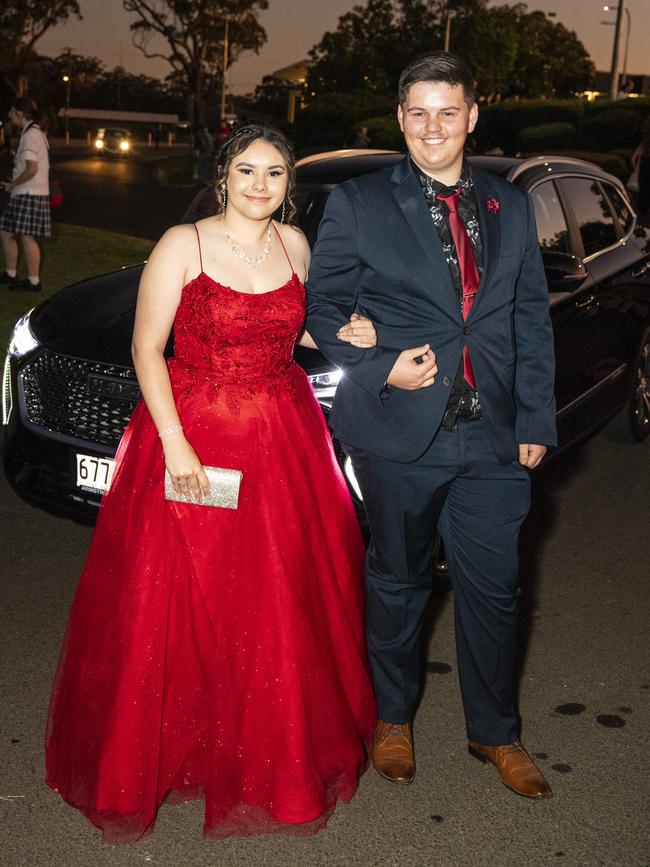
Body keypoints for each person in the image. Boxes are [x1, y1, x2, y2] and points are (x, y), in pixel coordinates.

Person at [45, 123, 378, 842]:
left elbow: (298, 331)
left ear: (291, 185)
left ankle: (267, 757)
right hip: (197, 433)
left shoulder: (293, 246)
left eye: (277, 173)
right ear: (223, 175)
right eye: (248, 170)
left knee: (273, 597)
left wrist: (346, 334)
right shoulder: (182, 244)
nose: (261, 185)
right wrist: (173, 445)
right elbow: (145, 346)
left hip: (281, 437)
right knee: (179, 600)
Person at [306, 52, 557, 799]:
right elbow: (321, 308)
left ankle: (495, 731)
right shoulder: (359, 203)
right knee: (397, 581)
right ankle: (392, 719)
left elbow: (528, 319)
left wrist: (537, 416)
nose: (432, 127)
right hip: (398, 430)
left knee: (497, 589)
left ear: (473, 117)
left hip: (493, 436)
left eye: (448, 111)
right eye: (418, 112)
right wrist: (381, 364)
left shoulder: (511, 204)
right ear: (399, 118)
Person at [0, 96, 50, 292]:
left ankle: (33, 282)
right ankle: (11, 274)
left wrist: (12, 184)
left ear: (20, 113)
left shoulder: (30, 135)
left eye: (12, 112)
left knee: (27, 237)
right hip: (27, 192)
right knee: (5, 232)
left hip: (28, 192)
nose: (9, 115)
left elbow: (32, 169)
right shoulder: (33, 132)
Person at [630, 134, 650, 223]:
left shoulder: (644, 145)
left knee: (642, 195)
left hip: (643, 174)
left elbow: (633, 159)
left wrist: (636, 170)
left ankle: (638, 217)